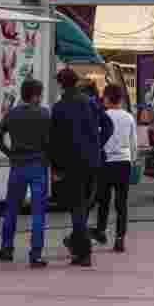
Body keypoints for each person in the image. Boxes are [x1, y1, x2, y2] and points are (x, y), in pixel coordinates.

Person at [50, 67, 114, 267]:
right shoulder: (91, 102)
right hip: (93, 162)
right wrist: (97, 145)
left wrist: (56, 166)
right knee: (84, 205)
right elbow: (108, 126)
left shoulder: (59, 108)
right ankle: (79, 248)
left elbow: (55, 140)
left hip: (72, 163)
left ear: (61, 84)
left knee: (77, 208)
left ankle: (83, 252)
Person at [0, 78, 52, 268]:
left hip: (17, 166)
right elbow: (51, 141)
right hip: (38, 166)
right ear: (35, 95)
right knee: (38, 213)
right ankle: (35, 255)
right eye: (40, 94)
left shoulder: (13, 114)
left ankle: (7, 248)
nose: (41, 98)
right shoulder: (45, 114)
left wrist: (9, 153)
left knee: (11, 209)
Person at [91, 83, 138, 253]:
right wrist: (133, 161)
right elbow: (134, 144)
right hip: (123, 163)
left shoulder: (102, 116)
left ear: (109, 98)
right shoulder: (128, 117)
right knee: (121, 203)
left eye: (104, 97)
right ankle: (120, 238)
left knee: (103, 201)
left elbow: (96, 139)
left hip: (105, 162)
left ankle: (101, 231)